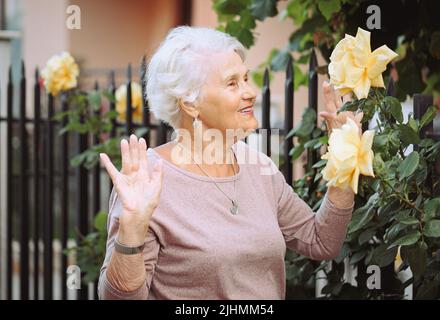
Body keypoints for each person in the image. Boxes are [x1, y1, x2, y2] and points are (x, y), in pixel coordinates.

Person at [98, 26, 361, 300]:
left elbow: (321, 241)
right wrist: (131, 231)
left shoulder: (259, 167)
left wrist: (345, 154)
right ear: (190, 103)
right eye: (232, 83)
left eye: (246, 78)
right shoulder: (148, 181)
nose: (251, 92)